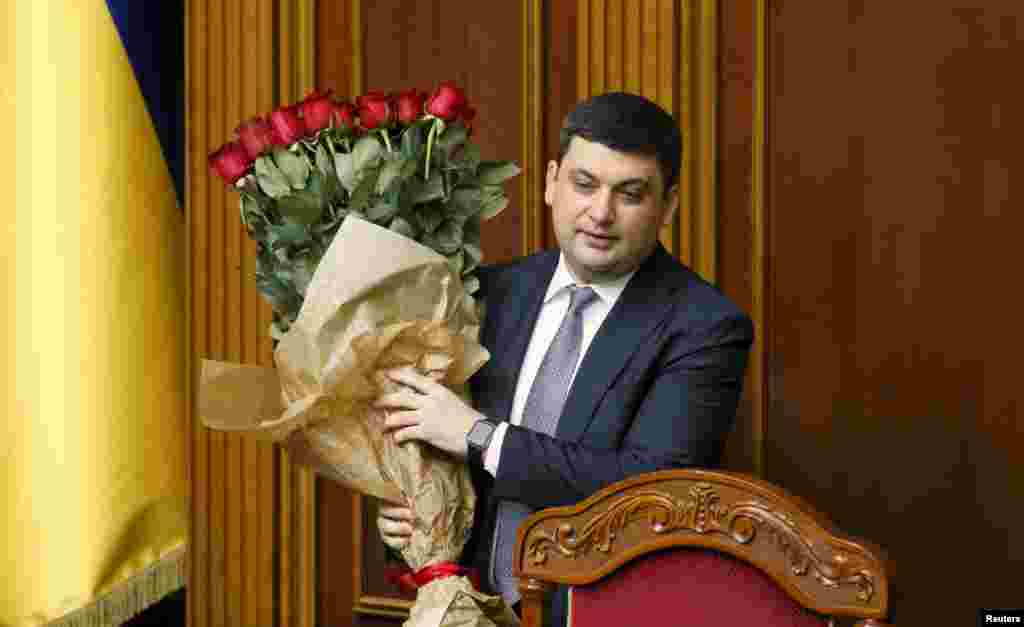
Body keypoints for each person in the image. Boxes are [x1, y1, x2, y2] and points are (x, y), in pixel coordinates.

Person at [374, 92, 754, 626]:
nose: (600, 212)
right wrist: (406, 518)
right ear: (552, 181)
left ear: (667, 206)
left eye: (630, 194)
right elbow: (445, 461)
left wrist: (480, 436)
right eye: (585, 184)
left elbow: (650, 489)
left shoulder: (705, 327)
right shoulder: (487, 293)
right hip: (464, 610)